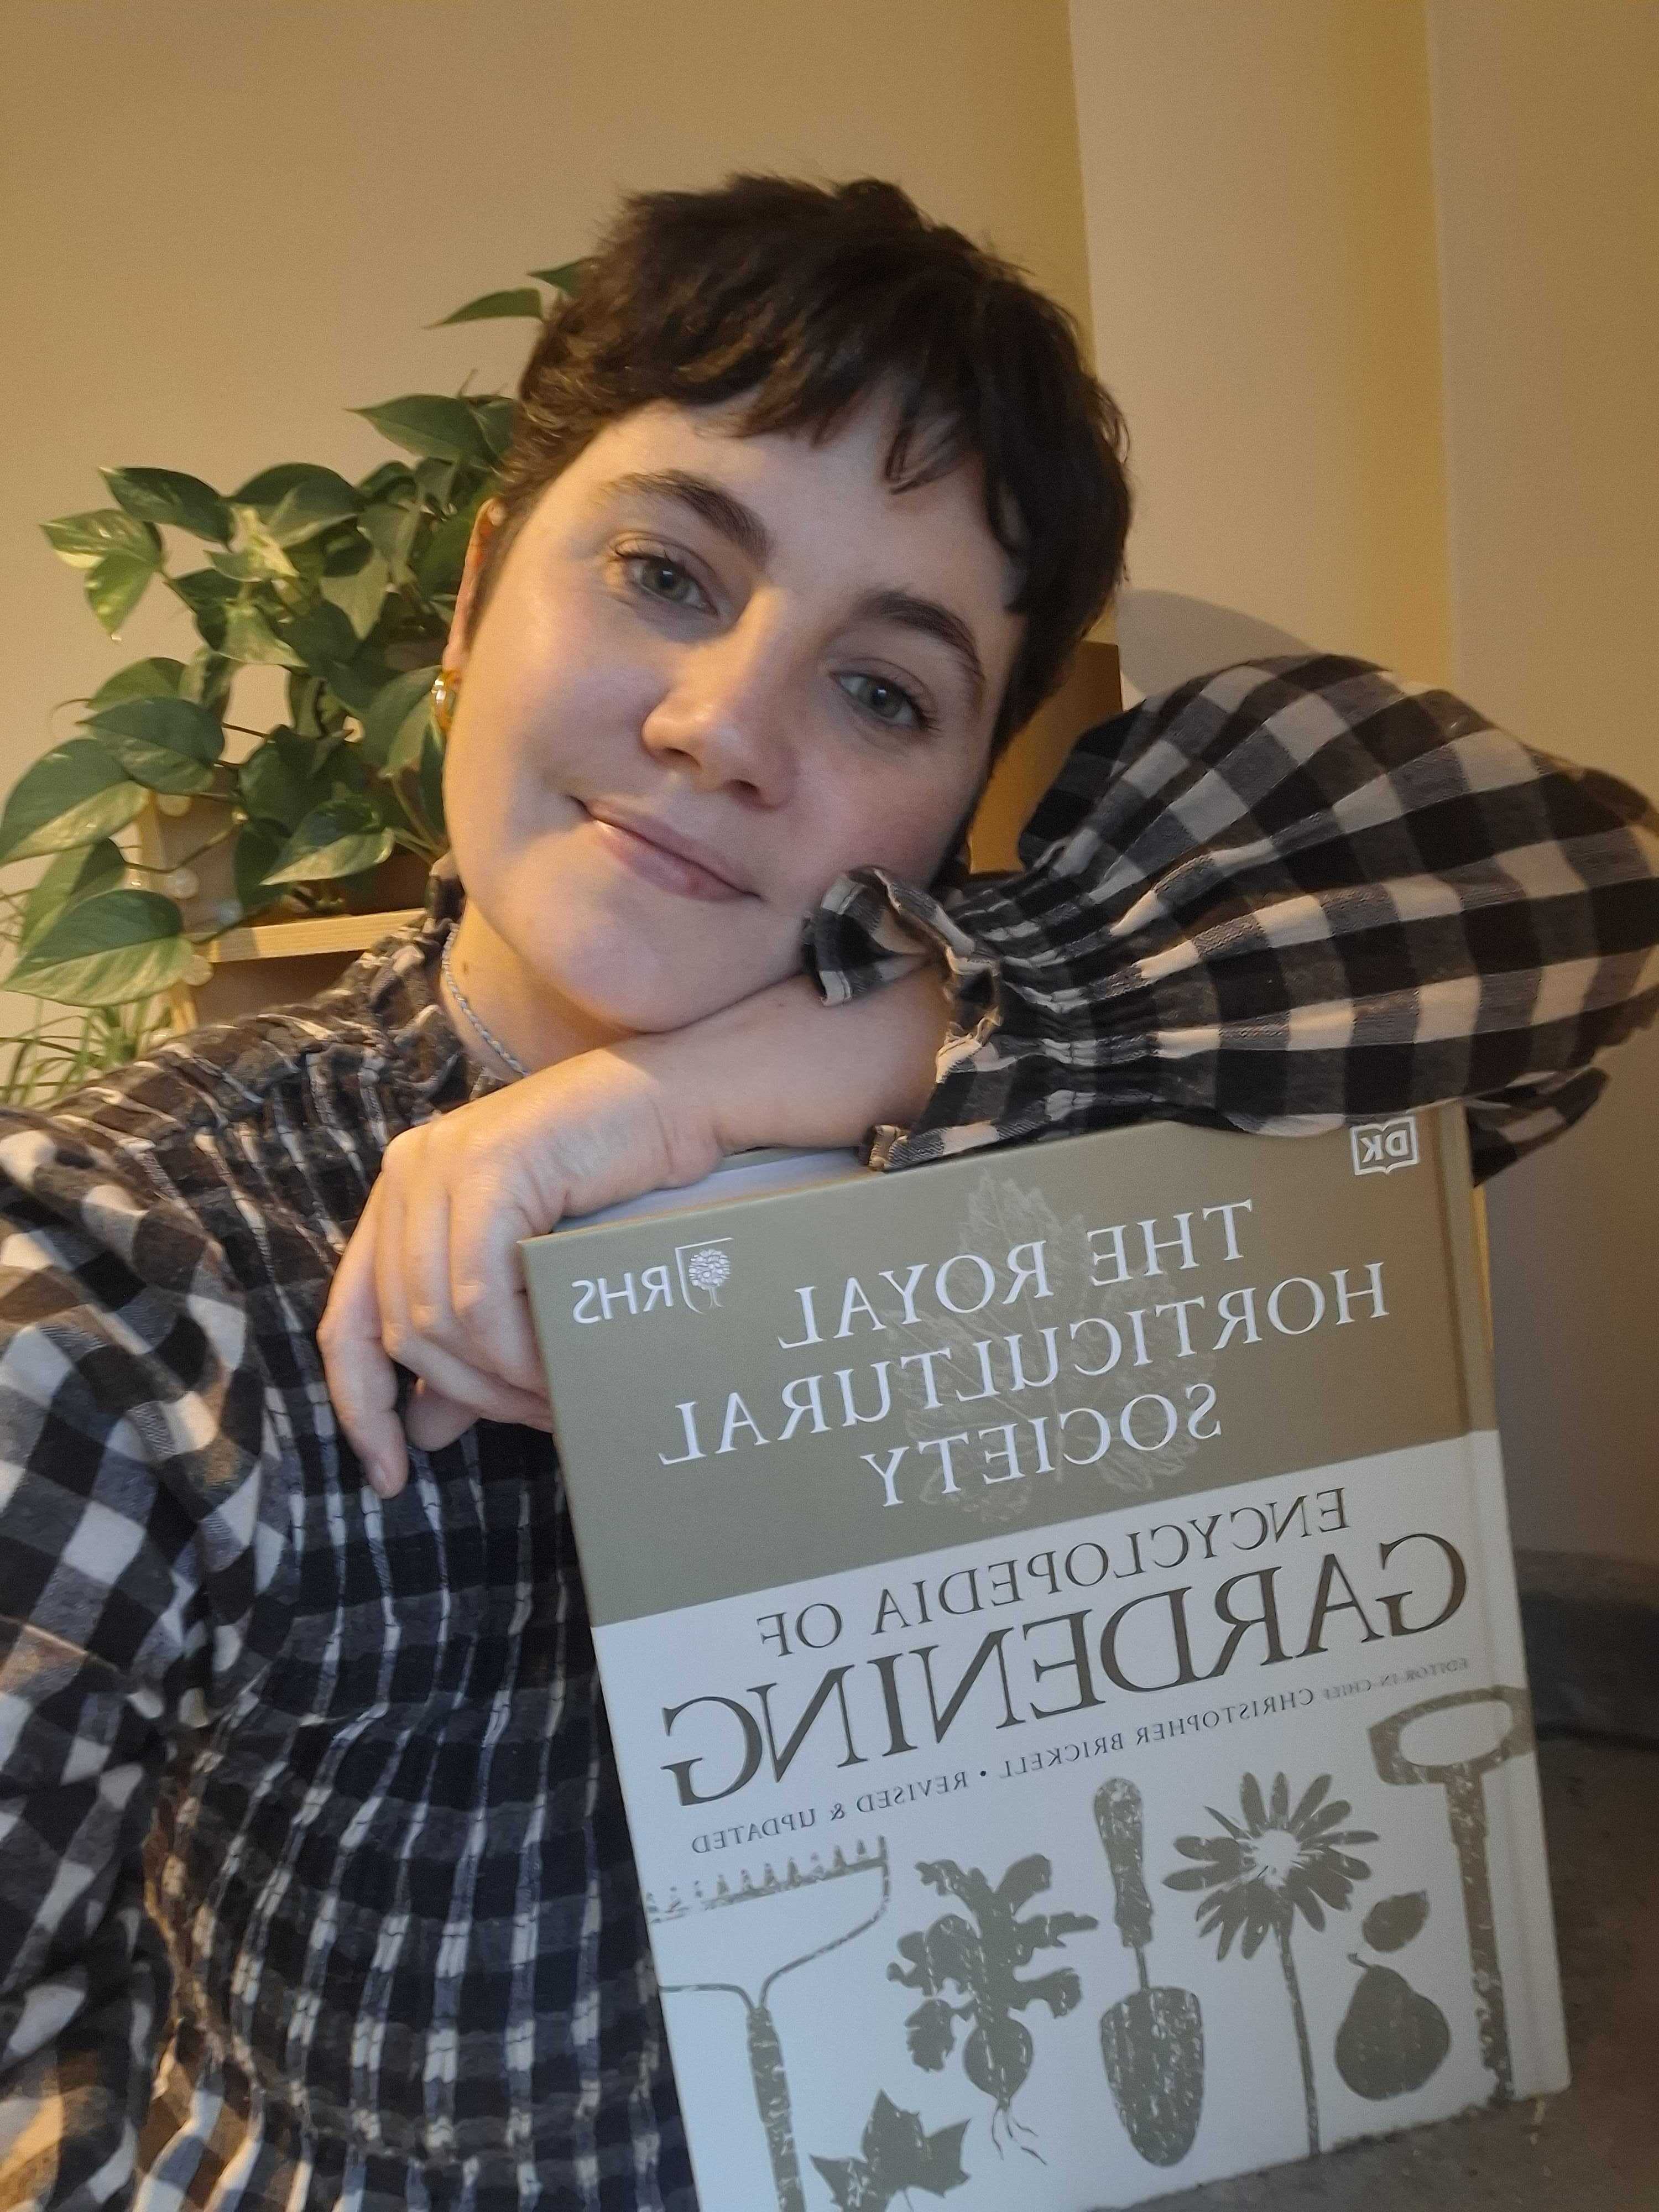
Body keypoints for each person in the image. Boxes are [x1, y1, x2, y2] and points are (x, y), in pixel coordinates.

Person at [0, 175, 1653, 2212]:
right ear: (475, 603)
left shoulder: (1066, 1153)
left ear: (962, 801)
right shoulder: (131, 1277)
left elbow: (1580, 902)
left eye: (885, 691)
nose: (722, 729)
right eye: (664, 572)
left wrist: (717, 1096)